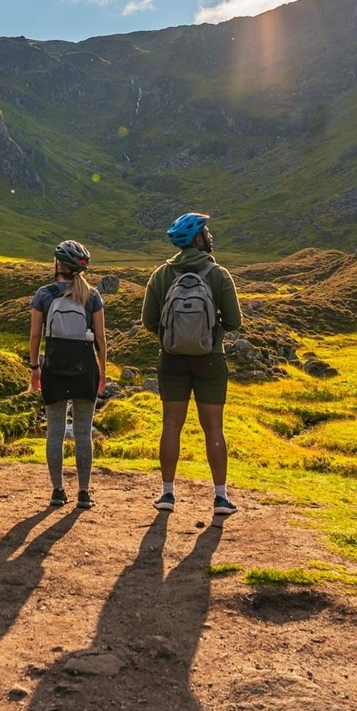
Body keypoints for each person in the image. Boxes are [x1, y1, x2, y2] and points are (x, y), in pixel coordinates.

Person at [141, 212, 243, 516]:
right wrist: (210, 333)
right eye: (206, 231)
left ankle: (168, 495)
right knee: (213, 427)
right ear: (197, 238)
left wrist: (173, 336)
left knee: (171, 425)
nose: (209, 235)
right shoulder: (219, 274)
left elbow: (148, 321)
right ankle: (220, 498)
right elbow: (235, 322)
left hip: (171, 360)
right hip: (210, 360)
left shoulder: (161, 275)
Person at [27, 240, 107, 510]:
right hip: (85, 372)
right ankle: (84, 494)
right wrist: (102, 373)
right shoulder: (92, 295)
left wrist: (35, 370)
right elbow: (101, 339)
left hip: (54, 371)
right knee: (83, 433)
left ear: (57, 264)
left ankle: (57, 492)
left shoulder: (44, 294)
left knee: (55, 432)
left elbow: (35, 336)